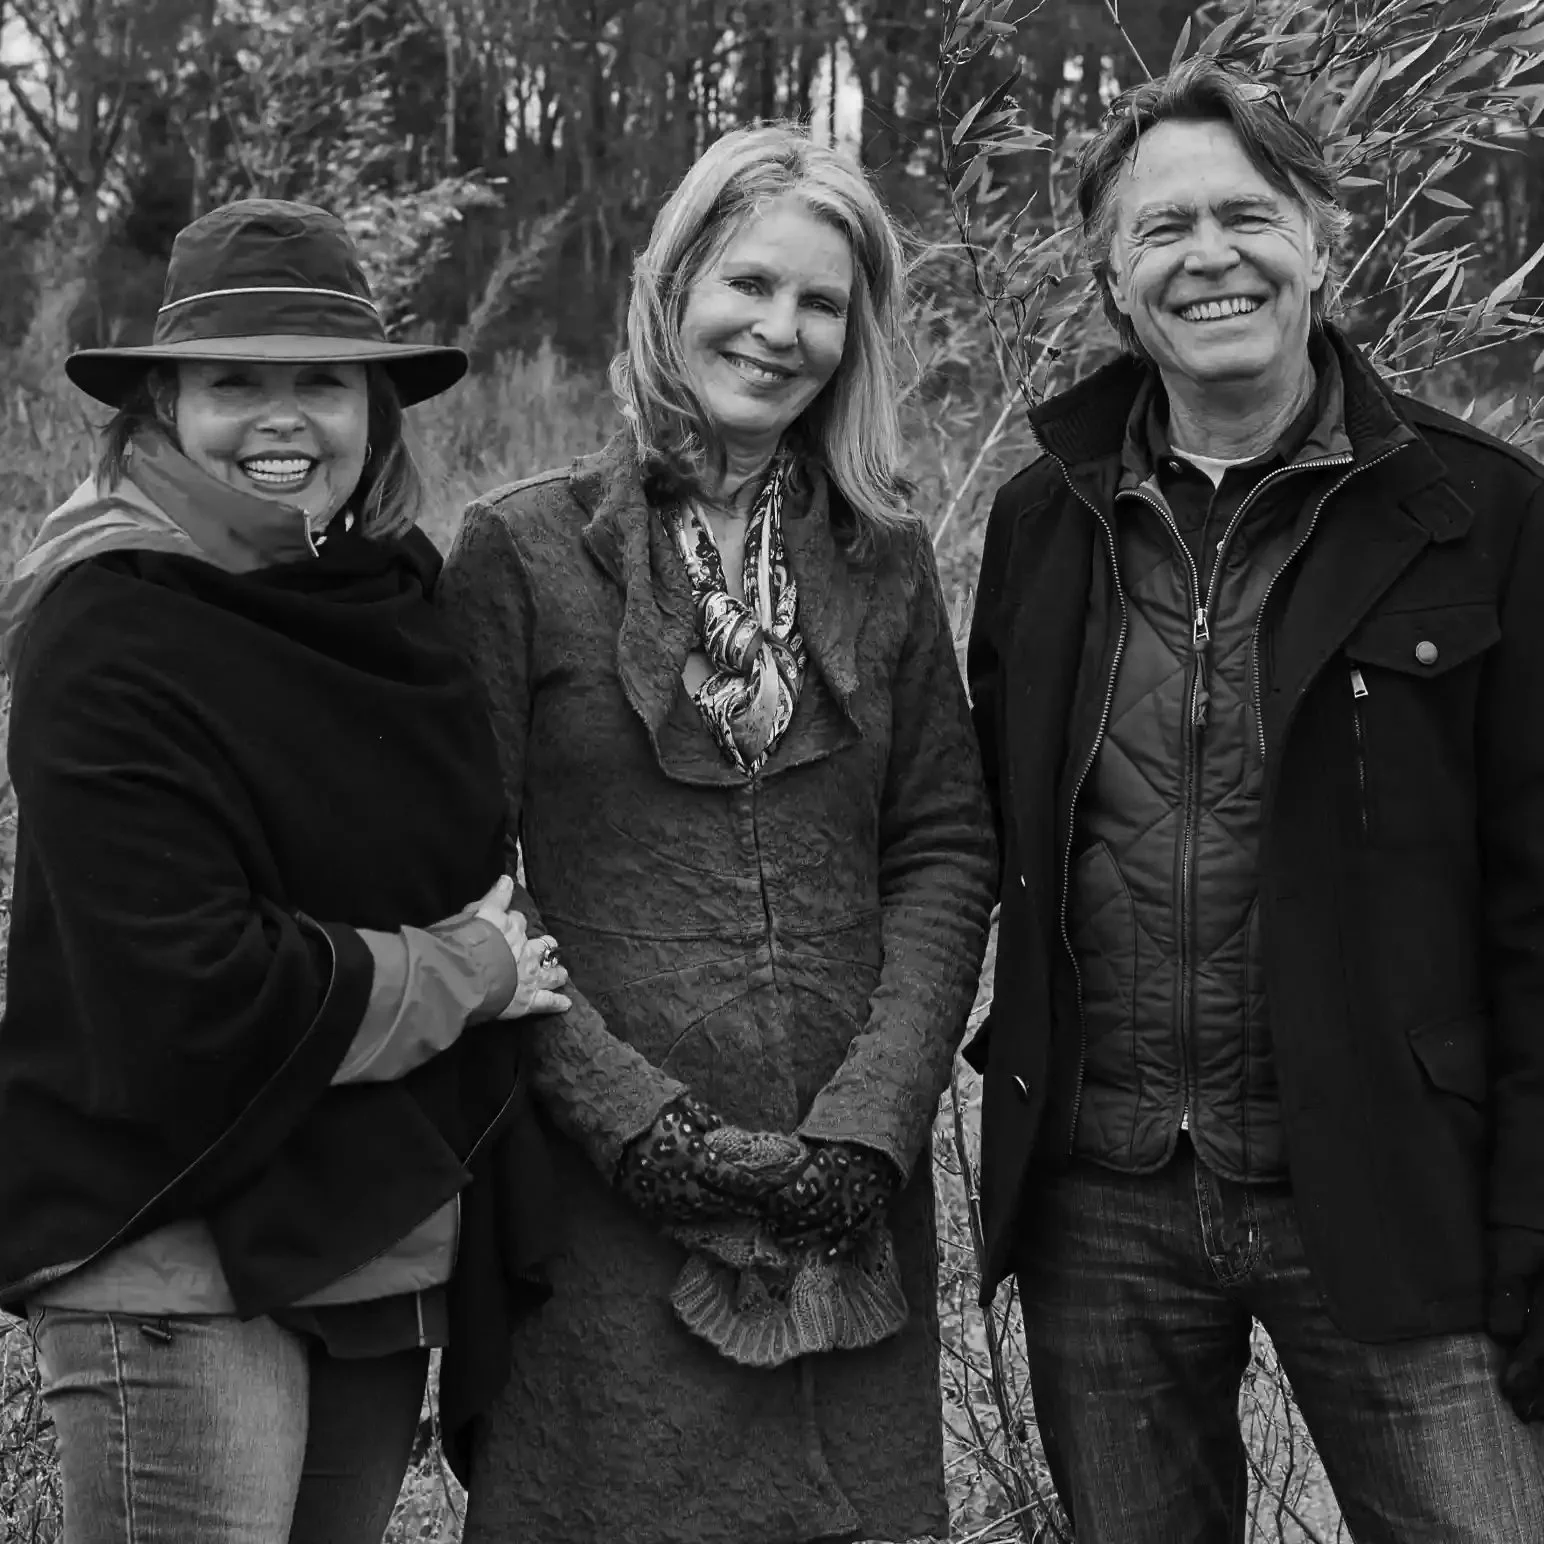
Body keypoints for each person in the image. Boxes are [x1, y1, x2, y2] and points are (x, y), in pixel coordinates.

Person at [965, 56, 1544, 1543]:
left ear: (1320, 240)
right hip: (1105, 1204)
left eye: (1247, 214)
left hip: (1393, 1188)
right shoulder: (1041, 520)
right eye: (1161, 231)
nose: (1207, 256)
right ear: (1109, 276)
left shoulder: (1480, 516)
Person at [435, 122, 997, 1544]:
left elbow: (943, 851)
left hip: (844, 1201)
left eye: (820, 302)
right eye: (749, 283)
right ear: (673, 286)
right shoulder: (523, 552)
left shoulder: (890, 565)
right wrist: (640, 1133)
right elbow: (468, 882)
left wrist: (867, 1133)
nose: (780, 328)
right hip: (602, 1207)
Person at [0, 199, 570, 1544]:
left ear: (376, 408)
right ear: (162, 401)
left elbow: (458, 854)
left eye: (323, 381)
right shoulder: (107, 625)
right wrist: (466, 971)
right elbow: (179, 987)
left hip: (365, 1228)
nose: (283, 418)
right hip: (172, 1234)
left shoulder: (391, 600)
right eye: (234, 382)